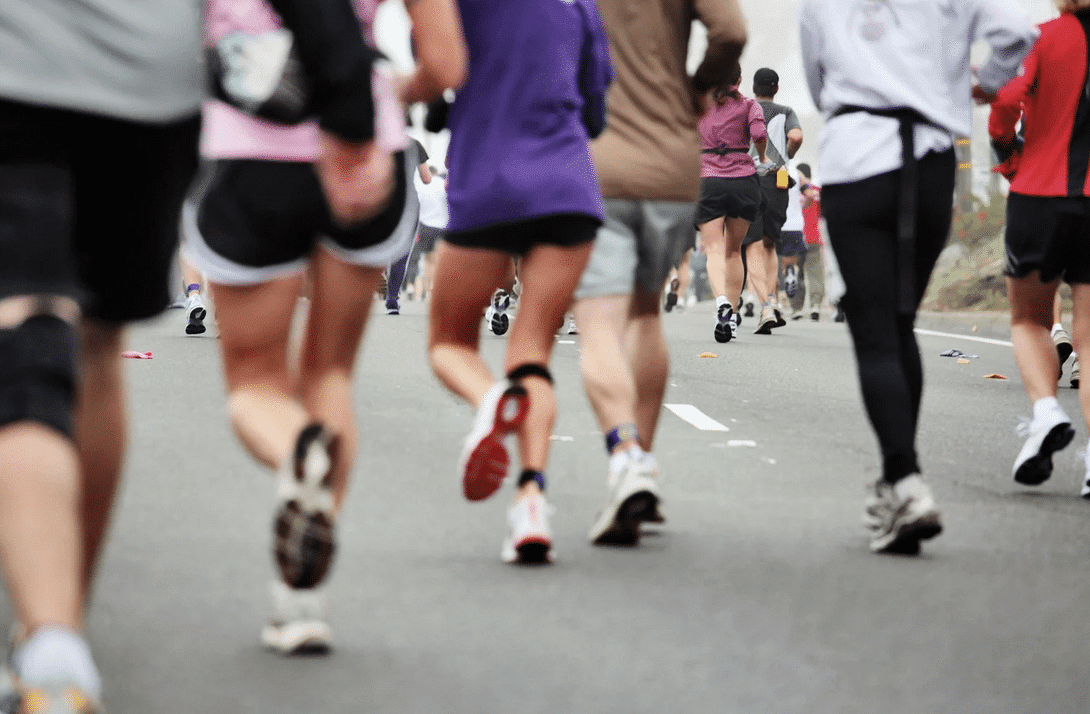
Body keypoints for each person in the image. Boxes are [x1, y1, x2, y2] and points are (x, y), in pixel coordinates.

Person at [0, 0, 406, 708]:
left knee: (28, 329)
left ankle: (50, 635)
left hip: (42, 79)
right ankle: (71, 637)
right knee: (99, 344)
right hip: (146, 93)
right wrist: (346, 101)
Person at [186, 0, 465, 654]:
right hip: (368, 149)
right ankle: (302, 600)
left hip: (255, 149)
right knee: (331, 373)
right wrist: (392, 90)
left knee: (256, 382)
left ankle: (295, 452)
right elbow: (447, 62)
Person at [800, 0, 1037, 554]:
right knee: (901, 320)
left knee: (874, 327)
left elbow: (816, 83)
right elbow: (1017, 32)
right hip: (931, 162)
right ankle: (900, 478)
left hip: (858, 156)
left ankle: (904, 480)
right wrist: (982, 83)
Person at [428, 0, 611, 564]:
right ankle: (531, 502)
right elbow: (596, 110)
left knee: (450, 342)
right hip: (566, 184)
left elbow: (439, 75)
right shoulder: (579, 5)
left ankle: (490, 401)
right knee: (531, 351)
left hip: (488, 179)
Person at [572, 0, 746, 544]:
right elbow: (732, 30)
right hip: (672, 160)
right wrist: (696, 88)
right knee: (647, 314)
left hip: (597, 162)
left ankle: (626, 461)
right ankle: (640, 461)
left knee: (599, 323)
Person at [988, 0, 1090, 496]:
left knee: (1029, 319)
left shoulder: (1043, 37)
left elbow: (1005, 105)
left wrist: (1010, 160)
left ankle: (1046, 414)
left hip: (1039, 196)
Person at [694, 64, 768, 344]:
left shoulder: (699, 103)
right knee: (734, 252)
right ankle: (733, 316)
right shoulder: (750, 105)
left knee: (713, 249)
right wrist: (763, 157)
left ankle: (722, 303)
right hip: (743, 181)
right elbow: (760, 135)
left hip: (707, 180)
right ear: (739, 79)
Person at [743, 68, 804, 335]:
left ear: (753, 87)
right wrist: (787, 156)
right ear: (776, 88)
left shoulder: (745, 109)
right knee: (770, 244)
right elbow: (796, 136)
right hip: (778, 180)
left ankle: (766, 306)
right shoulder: (786, 111)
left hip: (748, 179)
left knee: (752, 246)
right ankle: (774, 302)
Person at [384, 138, 431, 315]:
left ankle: (380, 268)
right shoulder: (414, 144)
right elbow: (426, 178)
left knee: (375, 245)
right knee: (402, 253)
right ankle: (392, 300)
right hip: (408, 202)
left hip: (383, 198)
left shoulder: (378, 140)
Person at [797, 162, 824, 321]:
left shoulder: (794, 190)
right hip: (814, 236)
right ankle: (815, 305)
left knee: (796, 272)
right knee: (815, 274)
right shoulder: (817, 191)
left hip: (796, 236)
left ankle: (797, 308)